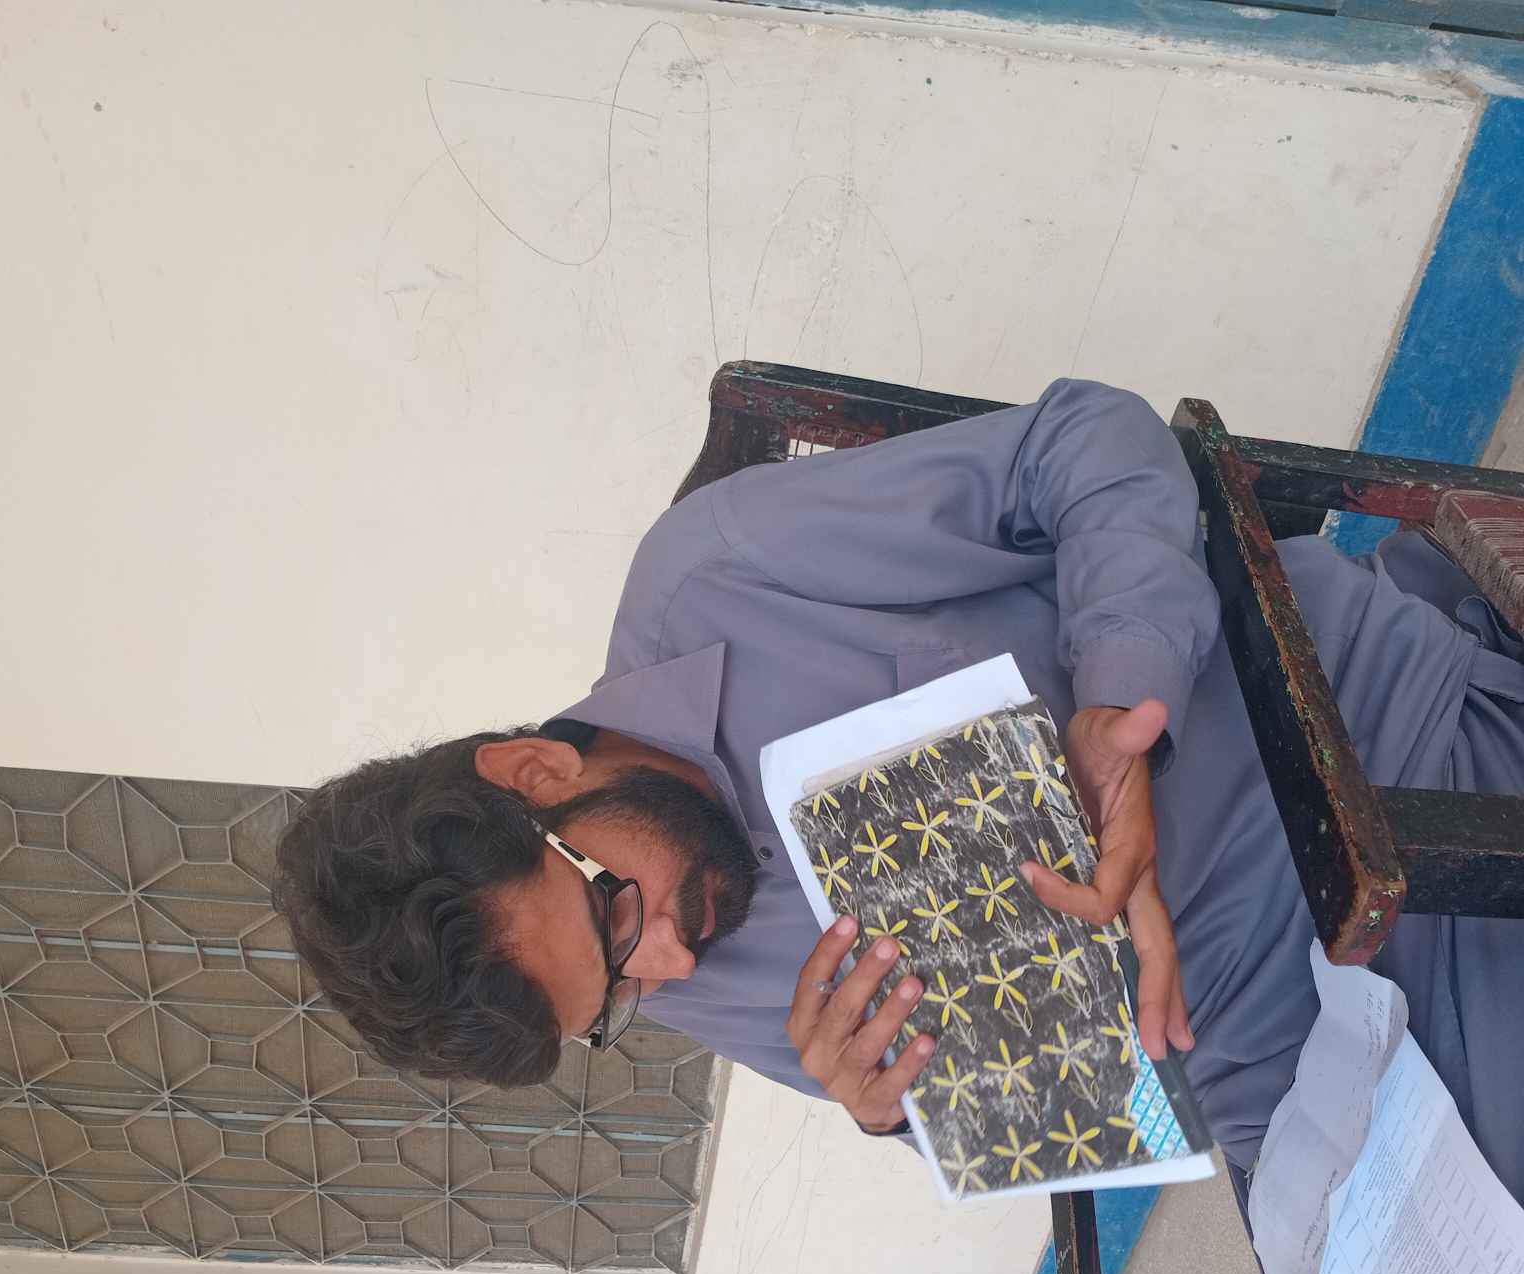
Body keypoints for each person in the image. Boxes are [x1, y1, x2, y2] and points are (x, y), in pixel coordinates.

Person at [273, 380, 1524, 1206]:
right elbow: (1061, 1098)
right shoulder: (669, 958)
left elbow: (1091, 440)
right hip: (1277, 1068)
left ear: (536, 773)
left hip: (1368, 793)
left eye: (612, 913)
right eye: (620, 999)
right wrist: (891, 1111)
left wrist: (1117, 702)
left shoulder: (719, 577)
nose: (673, 966)